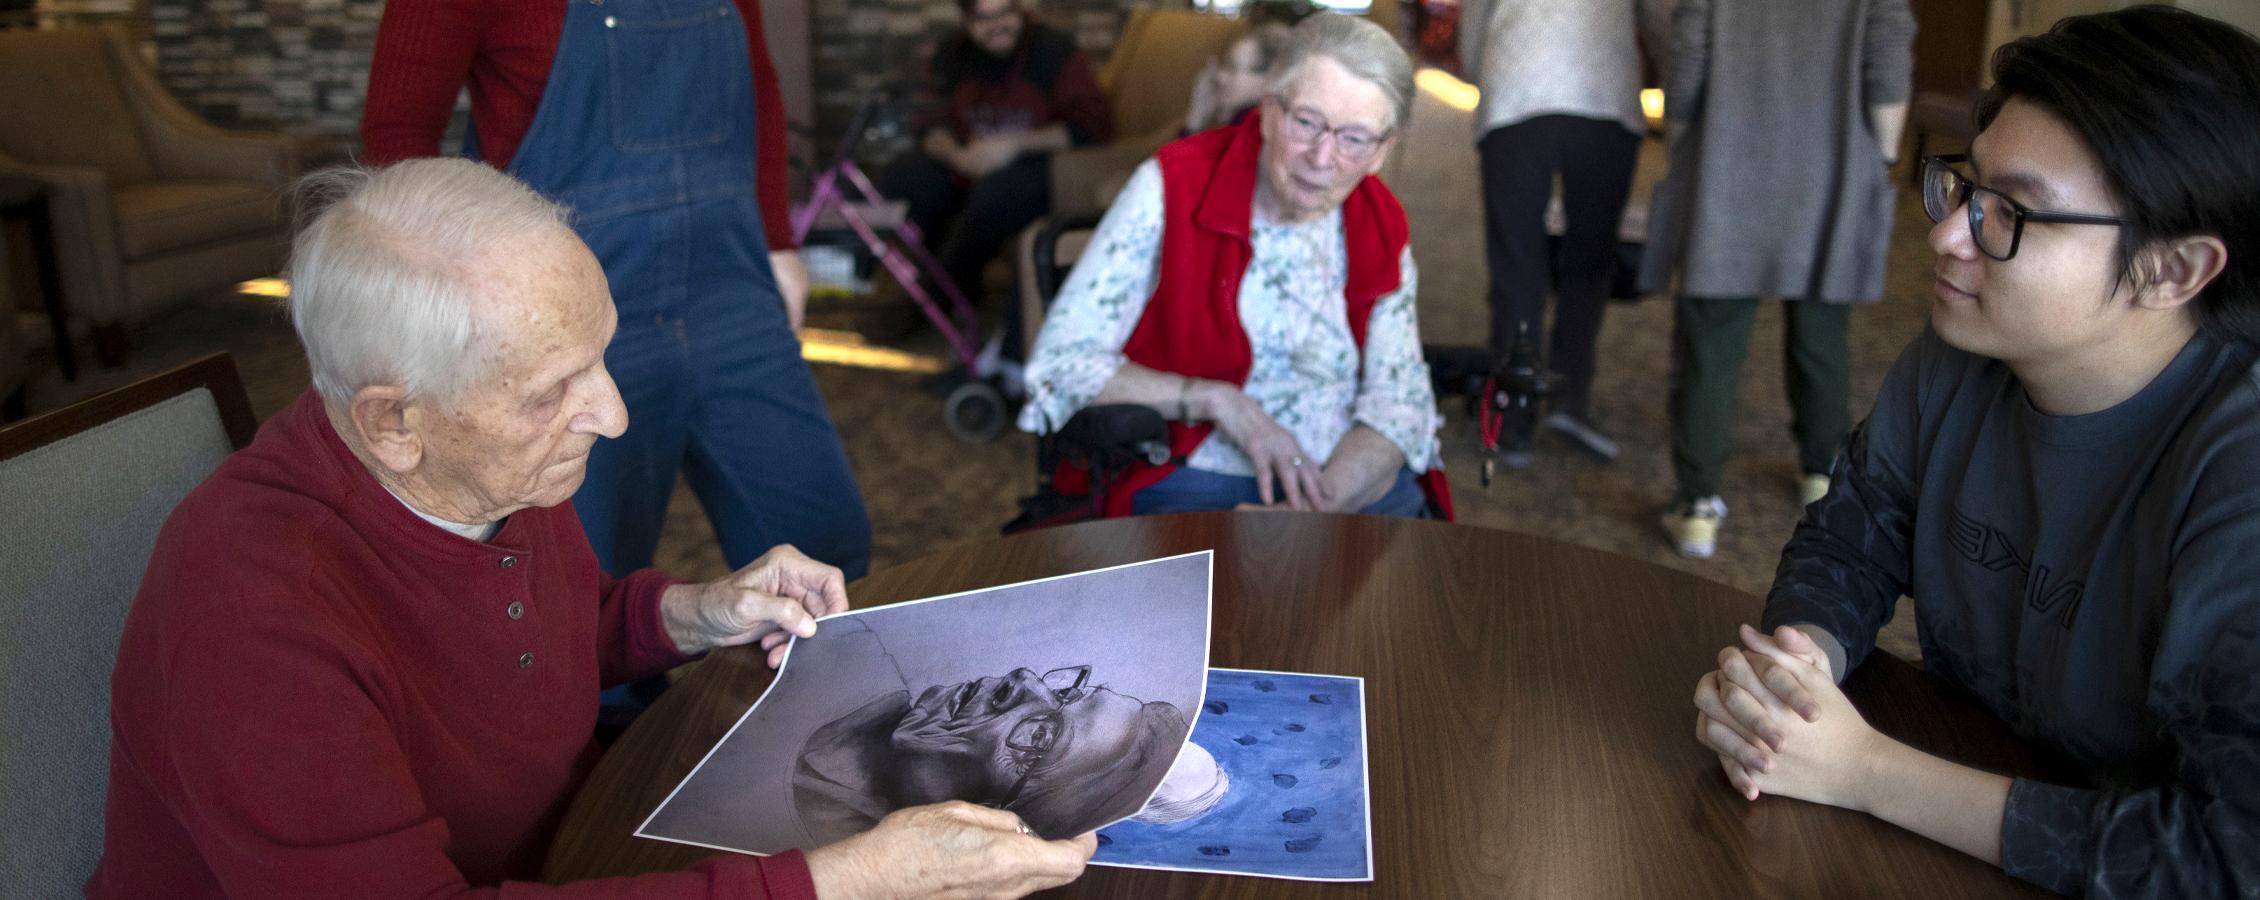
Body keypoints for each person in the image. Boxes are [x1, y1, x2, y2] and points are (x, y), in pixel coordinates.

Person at [87, 159, 1094, 899]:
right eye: (551, 391)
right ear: (392, 421)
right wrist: (839, 882)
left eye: (600, 357)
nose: (612, 416)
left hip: (574, 851)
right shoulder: (253, 611)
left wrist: (692, 612)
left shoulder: (482, 463)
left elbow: (529, 635)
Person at [1691, 7, 2260, 895]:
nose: (1947, 236)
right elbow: (1855, 534)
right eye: (1965, 188)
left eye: (2011, 213)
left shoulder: (2238, 470)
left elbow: (2222, 854)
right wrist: (1798, 681)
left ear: (2174, 270)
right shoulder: (1964, 354)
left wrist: (1862, 771)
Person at [363, 0, 874, 586]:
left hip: (729, 290)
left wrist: (779, 244)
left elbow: (757, 85)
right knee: (584, 575)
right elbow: (398, 137)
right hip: (560, 322)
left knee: (823, 540)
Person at [1017, 14, 1447, 519]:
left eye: (1354, 138)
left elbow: (1399, 402)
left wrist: (1305, 517)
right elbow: (1060, 365)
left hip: (1351, 488)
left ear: (1382, 151)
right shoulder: (1173, 186)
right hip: (1197, 479)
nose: (1322, 157)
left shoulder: (1380, 220)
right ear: (1267, 111)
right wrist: (1220, 402)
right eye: (1306, 122)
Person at [1641, 0, 1914, 558]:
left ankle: (1696, 506)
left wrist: (1681, 140)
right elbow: (1887, 66)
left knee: (1711, 343)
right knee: (1822, 335)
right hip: (1830, 167)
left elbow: (1687, 62)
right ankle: (1822, 470)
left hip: (1726, 161)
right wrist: (1882, 151)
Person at [1458, 0, 1670, 468]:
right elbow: (1659, 19)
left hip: (1516, 90)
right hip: (1603, 96)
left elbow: (1475, 20)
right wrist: (1675, 87)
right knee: (1590, 263)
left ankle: (1513, 419)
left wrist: (1485, 74)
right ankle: (1569, 400)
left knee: (1516, 263)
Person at [873, 0, 1114, 328]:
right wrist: (956, 156)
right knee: (908, 177)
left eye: (1007, 14)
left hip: (1037, 165)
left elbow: (1092, 128)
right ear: (966, 21)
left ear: (1021, 11)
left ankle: (934, 303)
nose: (999, 25)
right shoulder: (951, 54)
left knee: (995, 196)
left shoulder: (1054, 52)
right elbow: (929, 124)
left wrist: (1012, 146)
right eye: (984, 19)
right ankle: (924, 285)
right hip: (966, 161)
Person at [796, 652, 1191, 844]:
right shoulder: (846, 657)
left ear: (996, 815)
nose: (1024, 678)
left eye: (1040, 736)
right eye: (1065, 690)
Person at [1183, 24, 1294, 136]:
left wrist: (1195, 121)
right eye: (1225, 65)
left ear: (1270, 79)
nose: (1221, 77)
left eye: (1233, 69)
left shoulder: (1248, 132)